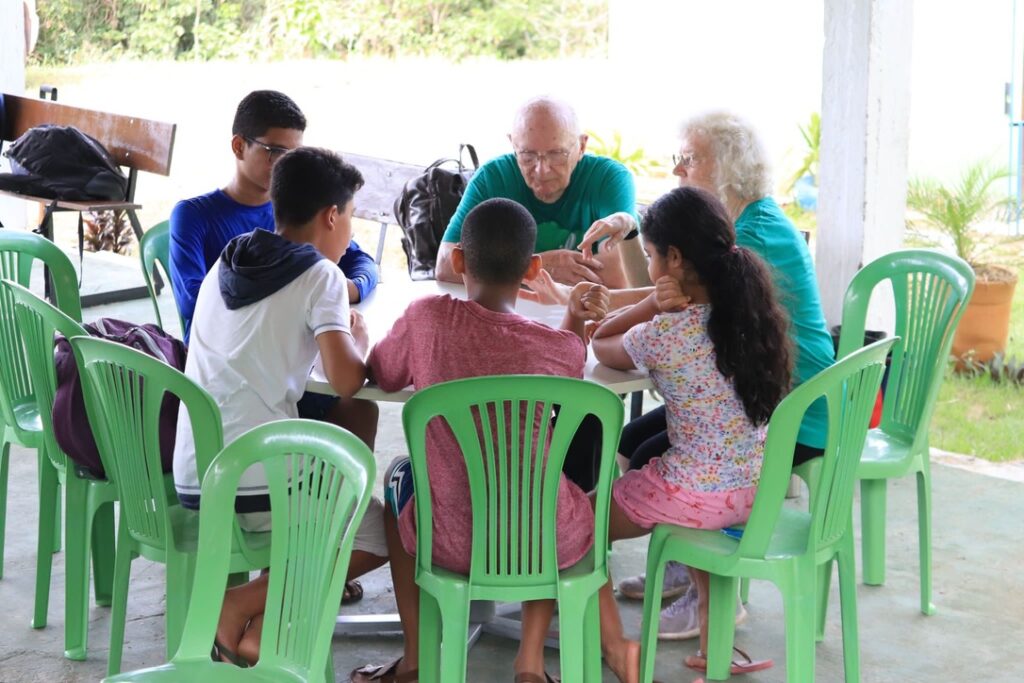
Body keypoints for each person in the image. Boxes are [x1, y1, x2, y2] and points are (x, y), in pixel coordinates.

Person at [584, 111, 835, 639]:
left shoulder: (749, 246)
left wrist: (620, 301)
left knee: (644, 465)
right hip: (756, 420)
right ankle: (693, 575)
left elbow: (643, 315)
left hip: (800, 416)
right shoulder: (733, 259)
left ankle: (644, 595)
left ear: (729, 170)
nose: (677, 169)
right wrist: (639, 256)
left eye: (690, 158)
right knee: (640, 435)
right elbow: (668, 287)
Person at [351, 198, 610, 683]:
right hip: (542, 541)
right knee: (552, 490)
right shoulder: (551, 345)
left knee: (399, 476)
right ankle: (530, 663)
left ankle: (415, 659)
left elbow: (383, 373)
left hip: (446, 538)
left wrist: (362, 342)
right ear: (533, 268)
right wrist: (572, 315)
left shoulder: (426, 318)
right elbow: (573, 361)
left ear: (457, 262)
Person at [171, 147, 388, 666]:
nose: (349, 232)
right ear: (331, 216)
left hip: (196, 471)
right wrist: (358, 336)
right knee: (383, 530)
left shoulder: (232, 254)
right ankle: (236, 605)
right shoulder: (322, 277)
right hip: (255, 486)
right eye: (351, 217)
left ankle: (260, 634)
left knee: (345, 454)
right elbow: (348, 381)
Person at [591, 186, 789, 682]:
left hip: (695, 494)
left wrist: (651, 306)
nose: (650, 263)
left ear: (674, 260)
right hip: (755, 492)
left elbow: (600, 343)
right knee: (688, 485)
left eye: (651, 256)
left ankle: (613, 642)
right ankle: (714, 643)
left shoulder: (669, 331)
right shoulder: (751, 315)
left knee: (579, 519)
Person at [169, 89, 379, 344]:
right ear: (238, 146)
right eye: (275, 152)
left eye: (294, 156)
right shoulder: (193, 216)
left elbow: (361, 261)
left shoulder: (296, 211)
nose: (287, 166)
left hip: (287, 353)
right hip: (217, 359)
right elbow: (193, 302)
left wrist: (350, 288)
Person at [435, 95, 647, 289]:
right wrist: (539, 265)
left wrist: (506, 271)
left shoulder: (609, 178)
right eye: (528, 155)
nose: (541, 169)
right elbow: (446, 264)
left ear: (581, 147)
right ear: (513, 145)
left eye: (557, 154)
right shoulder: (494, 177)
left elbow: (619, 275)